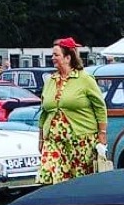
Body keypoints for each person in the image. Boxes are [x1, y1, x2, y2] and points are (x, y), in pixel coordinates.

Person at [36, 36, 107, 185]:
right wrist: (41, 138)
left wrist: (102, 134)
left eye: (56, 55)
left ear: (68, 58)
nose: (52, 58)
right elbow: (44, 111)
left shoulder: (85, 79)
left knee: (80, 181)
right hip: (54, 141)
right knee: (49, 176)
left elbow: (100, 107)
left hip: (81, 140)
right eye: (52, 55)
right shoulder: (50, 80)